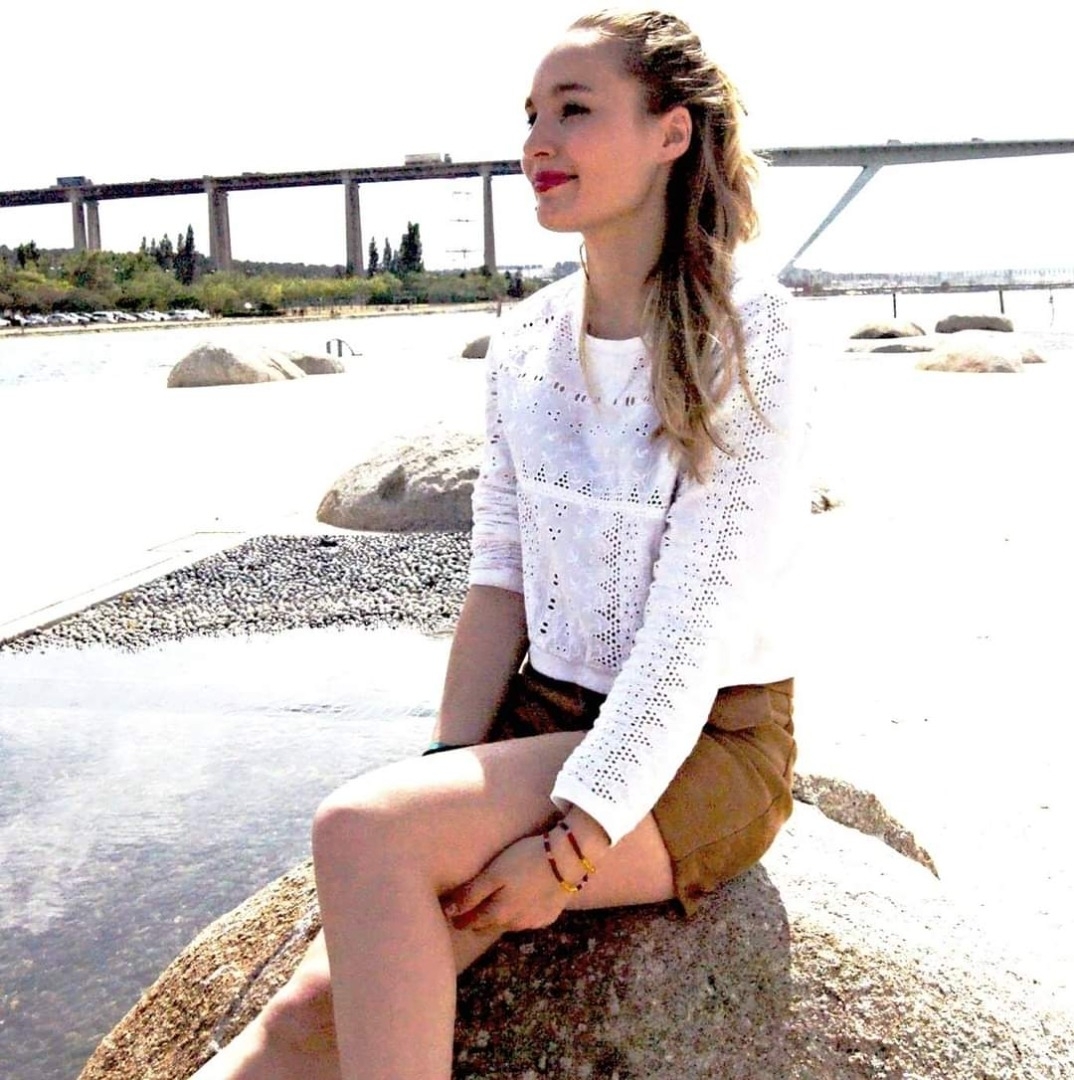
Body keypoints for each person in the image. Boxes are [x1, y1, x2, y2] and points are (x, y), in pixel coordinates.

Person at [192, 8, 805, 1079]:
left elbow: (695, 626)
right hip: (546, 717)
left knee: (360, 828)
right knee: (304, 1017)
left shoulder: (750, 330)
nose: (538, 143)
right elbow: (500, 578)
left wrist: (569, 851)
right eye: (530, 116)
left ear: (671, 132)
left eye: (575, 111)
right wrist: (446, 776)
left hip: (708, 740)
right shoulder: (526, 339)